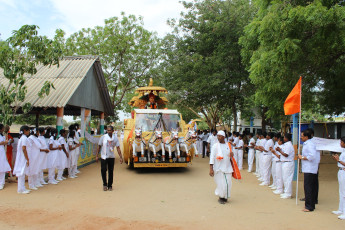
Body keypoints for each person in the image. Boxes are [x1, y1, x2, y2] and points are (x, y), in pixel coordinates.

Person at [298, 129, 320, 212]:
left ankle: (309, 206)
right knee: (310, 186)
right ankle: (311, 204)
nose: (301, 137)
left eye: (302, 136)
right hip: (309, 168)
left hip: (310, 168)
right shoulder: (307, 143)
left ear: (307, 137)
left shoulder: (309, 144)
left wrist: (302, 157)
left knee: (308, 187)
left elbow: (312, 156)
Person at [209, 130, 233, 204]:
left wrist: (232, 155)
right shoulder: (215, 146)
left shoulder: (228, 145)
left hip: (228, 167)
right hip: (218, 168)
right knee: (221, 184)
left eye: (219, 136)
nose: (218, 137)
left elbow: (230, 155)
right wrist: (211, 169)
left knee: (228, 183)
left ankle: (225, 196)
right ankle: (221, 197)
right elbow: (212, 157)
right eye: (217, 136)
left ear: (224, 137)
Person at [96, 126, 123, 191]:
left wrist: (121, 157)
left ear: (113, 131)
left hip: (111, 157)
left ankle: (110, 185)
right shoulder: (103, 137)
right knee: (103, 170)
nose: (109, 131)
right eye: (108, 130)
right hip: (104, 157)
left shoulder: (115, 138)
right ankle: (104, 184)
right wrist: (97, 155)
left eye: (110, 130)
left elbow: (118, 148)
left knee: (111, 171)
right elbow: (99, 146)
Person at [13, 126, 31, 194]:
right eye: (28, 130)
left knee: (22, 173)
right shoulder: (24, 138)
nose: (29, 132)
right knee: (21, 173)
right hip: (23, 158)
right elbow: (24, 148)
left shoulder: (23, 138)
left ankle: (22, 187)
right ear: (24, 130)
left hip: (22, 157)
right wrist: (27, 158)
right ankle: (20, 189)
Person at [276, 134, 295, 199]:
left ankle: (288, 193)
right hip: (284, 162)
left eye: (284, 137)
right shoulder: (286, 145)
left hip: (288, 163)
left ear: (286, 138)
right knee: (285, 178)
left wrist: (279, 151)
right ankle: (286, 192)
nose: (283, 139)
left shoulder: (289, 145)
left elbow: (286, 154)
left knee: (287, 179)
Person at [331, 136, 345, 220]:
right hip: (340, 171)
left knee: (344, 192)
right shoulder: (343, 151)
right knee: (341, 192)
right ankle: (340, 209)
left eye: (341, 142)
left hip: (343, 171)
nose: (340, 144)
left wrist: (338, 160)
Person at [0, 124, 11, 190]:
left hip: (1, 152)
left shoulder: (2, 135)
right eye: (3, 128)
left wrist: (6, 142)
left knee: (2, 167)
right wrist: (5, 142)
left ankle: (1, 183)